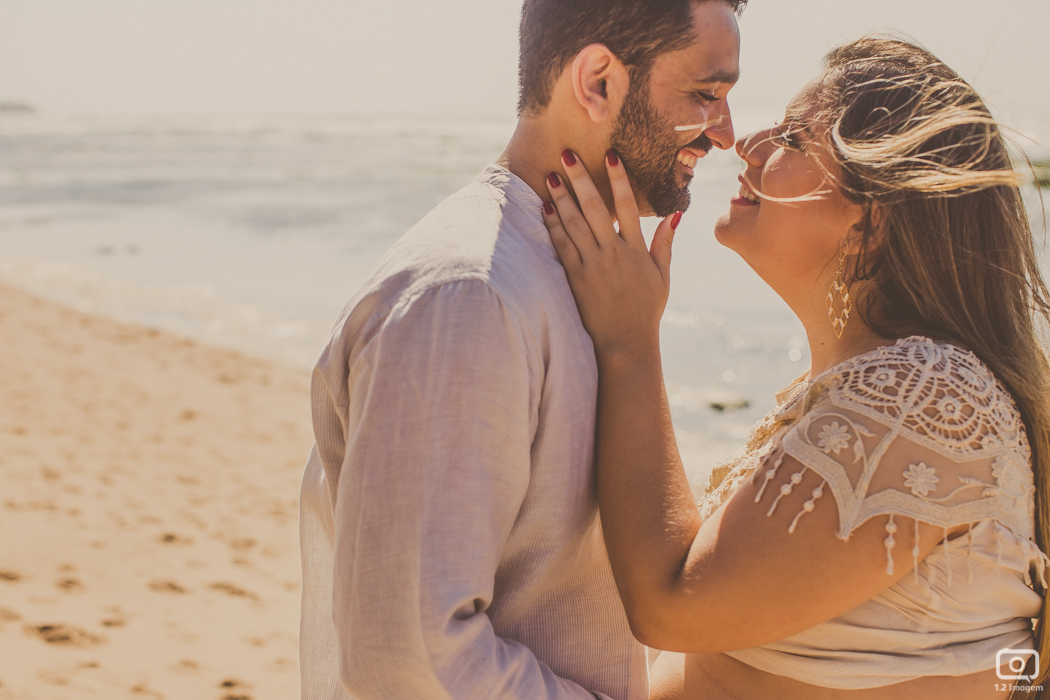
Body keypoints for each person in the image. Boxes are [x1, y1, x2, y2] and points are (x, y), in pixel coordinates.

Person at [542, 37, 1050, 699]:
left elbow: (671, 607)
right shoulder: (877, 387)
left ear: (871, 221)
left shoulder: (921, 394)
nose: (744, 143)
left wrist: (629, 339)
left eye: (790, 137)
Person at [297, 1, 744, 698]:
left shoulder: (577, 277)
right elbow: (408, 658)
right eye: (706, 96)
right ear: (598, 81)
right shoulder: (468, 297)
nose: (726, 134)